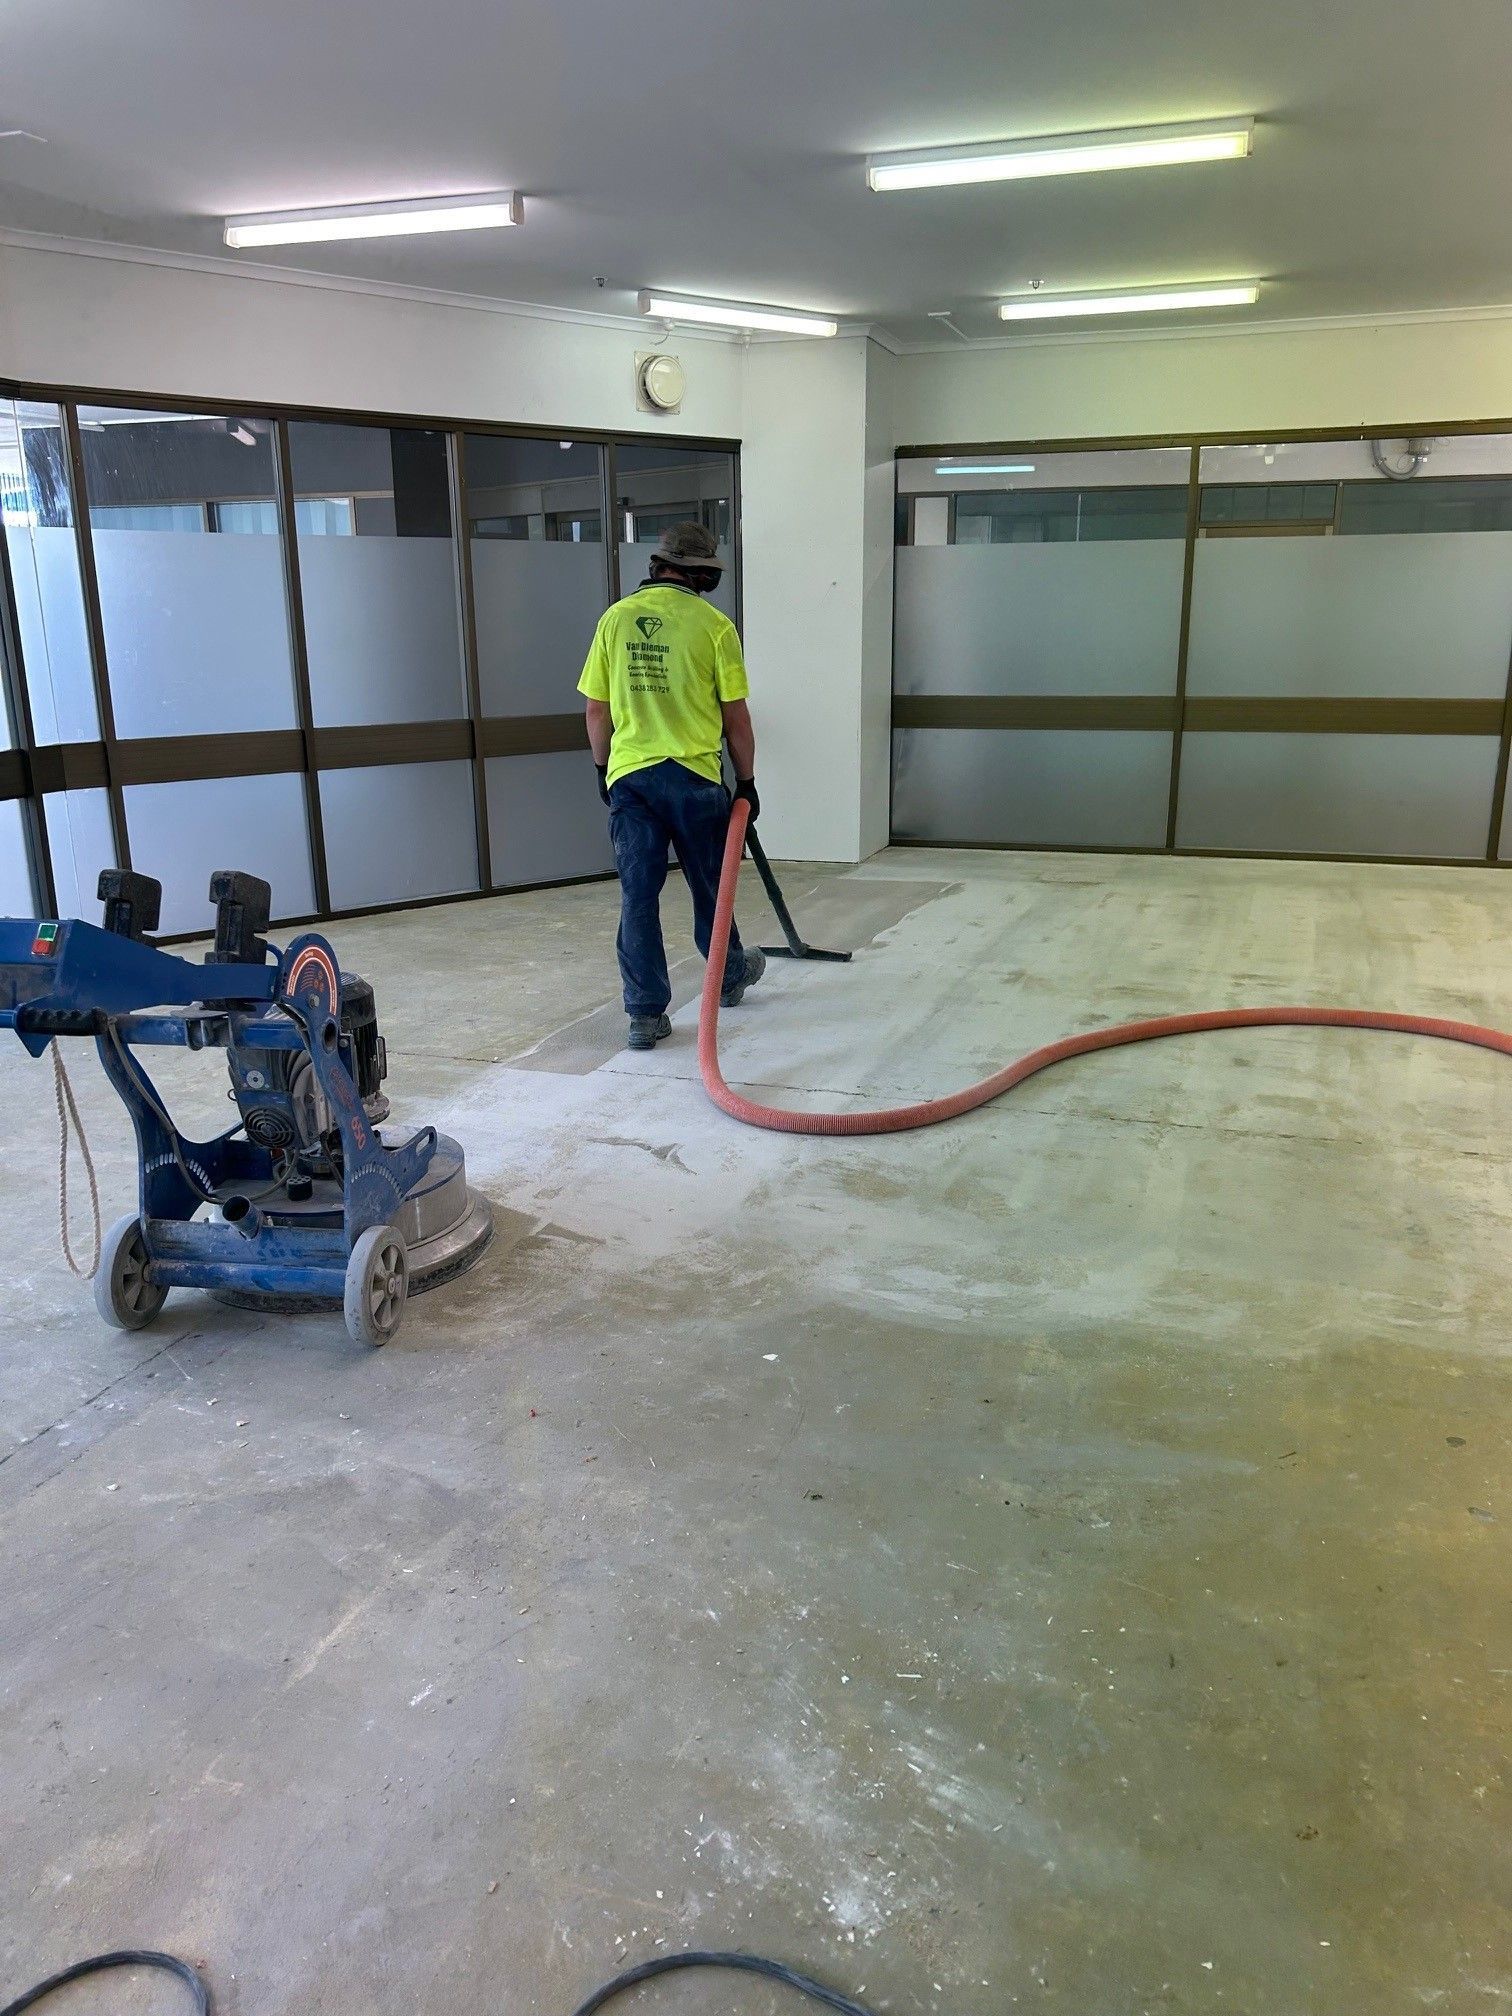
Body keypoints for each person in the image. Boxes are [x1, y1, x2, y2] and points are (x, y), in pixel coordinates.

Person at [578, 521, 764, 1051]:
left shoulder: (615, 620)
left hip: (632, 779)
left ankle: (644, 1015)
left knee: (638, 896)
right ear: (702, 573)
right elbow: (737, 720)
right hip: (694, 781)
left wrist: (603, 768)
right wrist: (747, 782)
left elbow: (596, 709)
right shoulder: (714, 626)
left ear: (657, 566)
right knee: (711, 888)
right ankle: (728, 978)